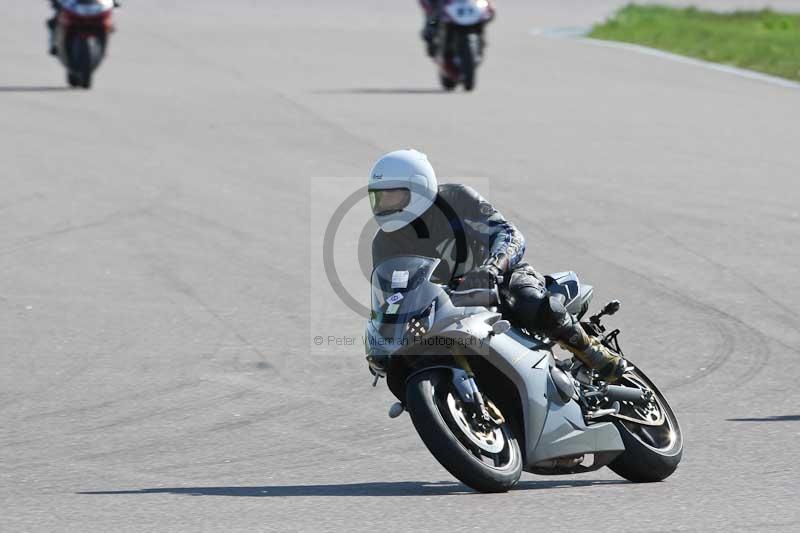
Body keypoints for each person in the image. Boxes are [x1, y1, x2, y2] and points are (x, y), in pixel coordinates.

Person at [368, 149, 626, 382]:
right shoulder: (384, 244)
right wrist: (383, 342)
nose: (384, 206)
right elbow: (394, 297)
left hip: (501, 278)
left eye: (392, 196)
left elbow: (509, 234)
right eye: (378, 199)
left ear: (420, 187)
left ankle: (592, 351)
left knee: (527, 299)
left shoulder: (456, 198)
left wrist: (492, 268)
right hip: (446, 307)